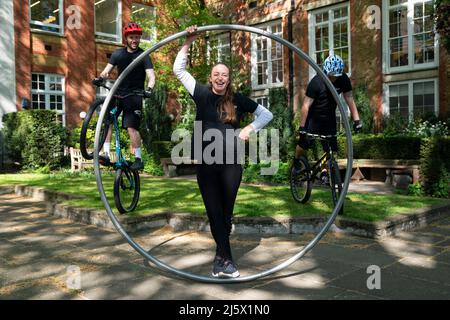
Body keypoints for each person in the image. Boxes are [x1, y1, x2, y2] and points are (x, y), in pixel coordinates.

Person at [173, 26, 273, 278]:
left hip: (231, 164)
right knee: (214, 211)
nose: (220, 78)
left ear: (228, 79)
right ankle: (226, 261)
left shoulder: (237, 99)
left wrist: (249, 128)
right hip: (207, 163)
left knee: (225, 214)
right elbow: (179, 70)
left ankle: (220, 258)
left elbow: (266, 114)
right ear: (211, 77)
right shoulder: (202, 94)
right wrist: (189, 41)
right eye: (216, 74)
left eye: (224, 75)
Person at [98, 22, 156, 171]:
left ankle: (138, 158)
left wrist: (149, 89)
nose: (134, 40)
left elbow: (151, 76)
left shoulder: (143, 56)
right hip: (117, 94)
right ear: (126, 38)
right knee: (108, 122)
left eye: (137, 37)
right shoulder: (118, 54)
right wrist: (101, 78)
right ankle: (105, 154)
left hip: (134, 95)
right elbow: (106, 71)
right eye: (131, 37)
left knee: (132, 128)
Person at [294, 53, 362, 178]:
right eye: (331, 76)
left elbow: (349, 98)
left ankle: (325, 172)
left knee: (330, 150)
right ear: (326, 71)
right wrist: (302, 127)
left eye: (335, 76)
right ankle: (296, 162)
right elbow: (305, 105)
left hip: (329, 118)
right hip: (313, 118)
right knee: (303, 144)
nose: (333, 79)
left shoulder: (343, 79)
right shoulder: (316, 82)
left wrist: (357, 120)